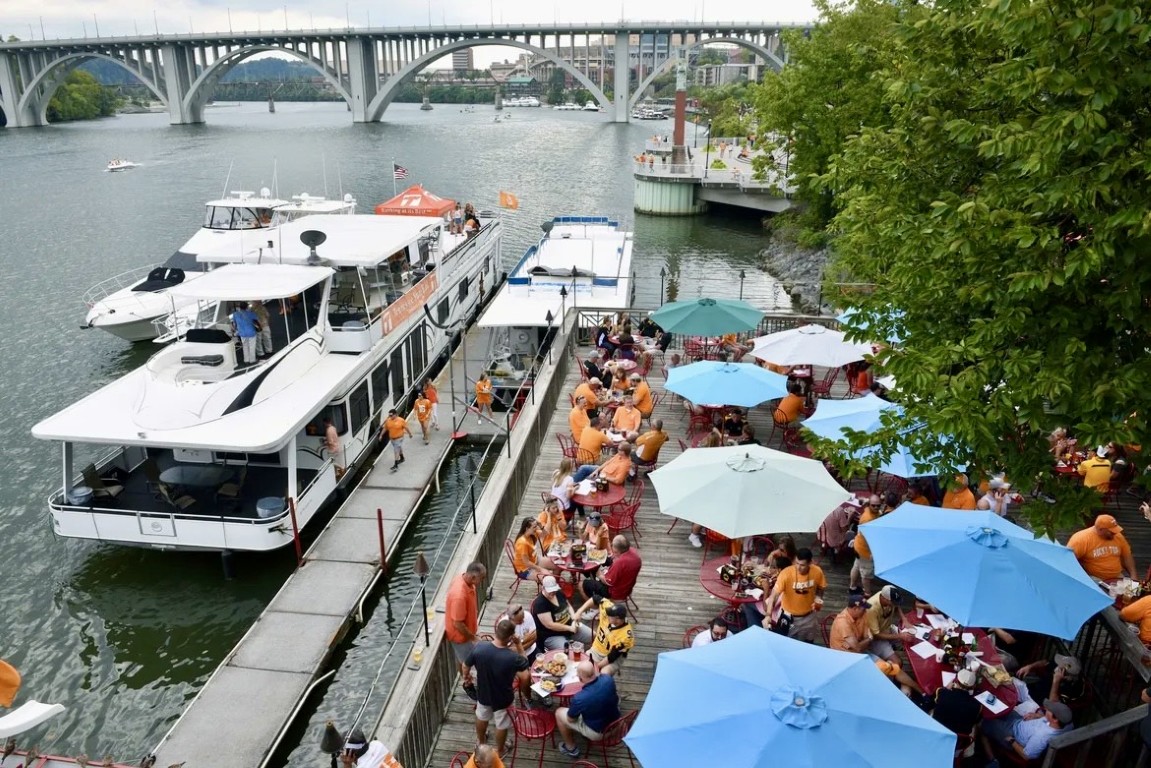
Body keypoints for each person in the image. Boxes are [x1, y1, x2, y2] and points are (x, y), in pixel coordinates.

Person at [465, 619, 530, 757]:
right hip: (503, 697)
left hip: (483, 693)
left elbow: (466, 665)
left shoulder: (480, 647)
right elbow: (525, 673)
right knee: (502, 724)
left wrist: (467, 677)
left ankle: (481, 742)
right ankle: (500, 750)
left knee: (482, 716)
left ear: (496, 632)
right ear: (510, 637)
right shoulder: (512, 657)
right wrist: (519, 645)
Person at [555, 661, 622, 759]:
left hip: (599, 733)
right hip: (617, 723)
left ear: (580, 677)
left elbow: (571, 720)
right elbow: (607, 669)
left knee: (559, 713)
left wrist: (576, 708)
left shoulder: (579, 698)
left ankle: (571, 748)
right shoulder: (608, 679)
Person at [981, 698, 1073, 762]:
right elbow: (1048, 719)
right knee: (996, 704)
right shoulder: (1068, 723)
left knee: (985, 721)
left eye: (1049, 710)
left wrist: (1012, 741)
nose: (1046, 709)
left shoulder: (1041, 737)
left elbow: (1027, 756)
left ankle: (992, 759)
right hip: (1019, 721)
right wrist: (1037, 716)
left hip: (1012, 734)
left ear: (1055, 719)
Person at [446, 562, 487, 701]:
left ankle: (467, 679)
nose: (482, 581)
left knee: (462, 658)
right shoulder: (459, 595)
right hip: (461, 636)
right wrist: (473, 637)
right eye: (481, 578)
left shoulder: (467, 581)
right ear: (473, 576)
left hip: (469, 632)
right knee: (470, 662)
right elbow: (457, 623)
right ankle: (468, 683)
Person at [768, 548, 826, 643]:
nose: (798, 567)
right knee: (785, 644)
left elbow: (821, 587)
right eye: (797, 563)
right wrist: (768, 614)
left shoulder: (817, 572)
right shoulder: (786, 573)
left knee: (807, 644)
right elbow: (774, 595)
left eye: (802, 565)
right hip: (789, 618)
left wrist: (818, 597)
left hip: (809, 616)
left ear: (810, 563)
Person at [532, 575, 593, 651]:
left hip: (570, 625)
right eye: (550, 591)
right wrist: (569, 628)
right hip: (553, 635)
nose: (552, 593)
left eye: (554, 590)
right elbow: (550, 625)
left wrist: (574, 617)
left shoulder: (558, 593)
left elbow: (568, 605)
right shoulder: (540, 604)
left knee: (593, 635)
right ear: (543, 588)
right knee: (568, 651)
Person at [1067, 514, 1136, 580]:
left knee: (1129, 591)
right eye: (1111, 532)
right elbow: (1068, 561)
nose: (1115, 533)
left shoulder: (1117, 536)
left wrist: (1133, 576)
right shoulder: (1081, 539)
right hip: (1093, 578)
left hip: (1116, 577)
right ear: (1100, 529)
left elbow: (1127, 556)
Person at [580, 535, 641, 604]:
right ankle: (593, 583)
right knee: (603, 563)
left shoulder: (620, 563)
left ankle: (594, 607)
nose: (611, 547)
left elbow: (608, 582)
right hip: (627, 588)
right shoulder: (634, 552)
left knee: (581, 584)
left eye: (613, 547)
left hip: (615, 593)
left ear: (617, 550)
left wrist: (600, 575)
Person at [932, 668, 984, 736]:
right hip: (959, 740)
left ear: (956, 681)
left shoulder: (942, 693)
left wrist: (946, 689)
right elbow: (976, 721)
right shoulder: (978, 706)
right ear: (973, 687)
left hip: (937, 732)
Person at [849, 494, 882, 596]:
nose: (876, 508)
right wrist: (873, 553)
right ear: (870, 505)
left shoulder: (868, 508)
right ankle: (867, 593)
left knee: (857, 566)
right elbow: (870, 539)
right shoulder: (868, 519)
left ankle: (852, 587)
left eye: (878, 505)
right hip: (865, 550)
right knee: (866, 575)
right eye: (874, 505)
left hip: (858, 545)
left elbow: (864, 501)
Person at [589, 602, 634, 672]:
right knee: (582, 665)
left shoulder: (625, 637)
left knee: (604, 674)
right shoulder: (608, 609)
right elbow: (596, 598)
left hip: (615, 657)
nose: (607, 615)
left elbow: (612, 657)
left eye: (610, 615)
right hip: (598, 649)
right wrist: (579, 612)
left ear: (618, 619)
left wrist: (596, 667)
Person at [338, 728, 402, 767]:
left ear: (351, 754)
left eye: (342, 751)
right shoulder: (377, 744)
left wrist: (347, 764)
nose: (342, 754)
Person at [550, 457, 579, 523]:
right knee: (576, 501)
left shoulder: (556, 473)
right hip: (562, 506)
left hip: (553, 502)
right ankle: (567, 521)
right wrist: (574, 489)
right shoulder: (569, 479)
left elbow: (553, 485)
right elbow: (568, 496)